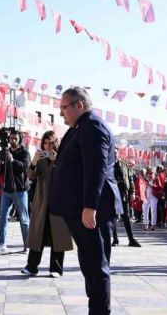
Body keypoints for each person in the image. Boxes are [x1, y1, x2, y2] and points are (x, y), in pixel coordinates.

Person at [49, 87, 122, 315]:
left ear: (78, 105)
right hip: (78, 209)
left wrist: (90, 205)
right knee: (90, 266)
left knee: (96, 267)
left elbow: (96, 168)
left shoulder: (93, 126)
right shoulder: (78, 128)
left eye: (63, 108)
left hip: (93, 210)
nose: (61, 114)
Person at [22, 130, 73, 277]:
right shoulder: (40, 159)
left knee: (58, 234)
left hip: (59, 201)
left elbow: (69, 177)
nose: (48, 145)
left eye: (51, 142)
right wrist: (33, 162)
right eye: (45, 142)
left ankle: (56, 268)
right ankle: (32, 266)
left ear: (56, 144)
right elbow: (30, 176)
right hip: (42, 201)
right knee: (38, 233)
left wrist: (57, 161)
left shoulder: (63, 158)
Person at [0, 129, 31, 254]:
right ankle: (1, 243)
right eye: (12, 138)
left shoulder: (25, 152)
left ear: (19, 139)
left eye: (16, 138)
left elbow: (24, 166)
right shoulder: (4, 152)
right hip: (6, 189)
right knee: (2, 217)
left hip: (20, 190)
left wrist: (12, 161)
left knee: (24, 218)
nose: (13, 140)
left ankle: (27, 245)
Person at [112, 156, 141, 247]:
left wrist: (132, 192)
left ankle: (131, 239)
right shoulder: (107, 163)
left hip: (123, 193)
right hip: (112, 193)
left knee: (126, 217)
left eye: (115, 152)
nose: (114, 154)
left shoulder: (123, 164)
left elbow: (130, 178)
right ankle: (115, 239)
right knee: (113, 216)